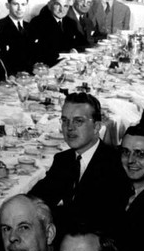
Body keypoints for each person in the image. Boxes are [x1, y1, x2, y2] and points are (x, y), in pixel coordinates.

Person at [29, 92, 131, 236]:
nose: (69, 128)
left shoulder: (115, 164)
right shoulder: (64, 160)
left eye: (78, 121)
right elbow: (39, 198)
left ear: (96, 127)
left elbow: (89, 219)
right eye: (65, 120)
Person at [28, 0, 80, 67]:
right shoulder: (37, 22)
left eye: (65, 6)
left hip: (68, 64)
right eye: (58, 5)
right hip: (48, 66)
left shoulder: (70, 22)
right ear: (50, 5)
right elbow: (34, 52)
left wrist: (74, 50)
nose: (62, 10)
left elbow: (83, 42)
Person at [0, 0, 31, 75]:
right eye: (15, 4)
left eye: (23, 4)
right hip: (9, 78)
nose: (19, 8)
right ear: (7, 5)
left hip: (30, 76)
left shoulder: (30, 27)